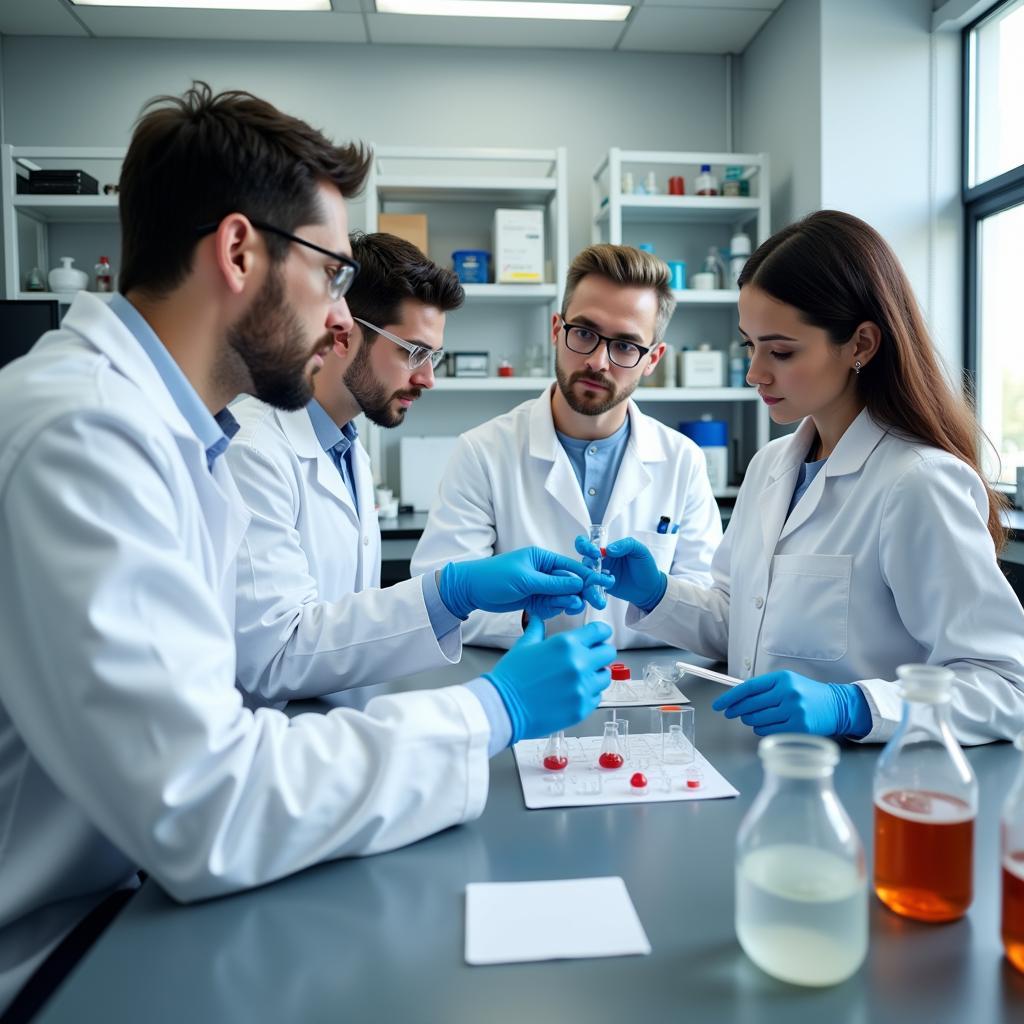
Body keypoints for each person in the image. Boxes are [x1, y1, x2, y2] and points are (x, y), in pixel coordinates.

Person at [0, 84, 616, 1018]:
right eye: (332, 274)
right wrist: (489, 711)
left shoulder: (166, 430)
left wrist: (444, 596)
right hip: (65, 956)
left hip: (136, 899)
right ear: (239, 250)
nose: (339, 317)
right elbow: (204, 802)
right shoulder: (85, 436)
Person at [580, 209, 1024, 745]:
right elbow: (739, 621)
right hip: (757, 769)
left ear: (860, 344)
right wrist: (655, 593)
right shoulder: (772, 467)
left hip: (859, 791)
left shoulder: (920, 482)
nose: (755, 372)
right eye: (750, 344)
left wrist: (853, 706)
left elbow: (1005, 683)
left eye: (781, 351)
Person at [411, 243, 722, 649]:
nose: (598, 361)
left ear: (653, 358)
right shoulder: (484, 451)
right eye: (585, 333)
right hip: (525, 689)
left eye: (626, 345)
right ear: (557, 330)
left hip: (652, 691)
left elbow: (711, 611)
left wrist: (656, 595)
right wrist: (524, 612)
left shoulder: (683, 460)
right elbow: (434, 598)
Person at [226, 232, 471, 708]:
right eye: (413, 352)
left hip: (337, 726)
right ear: (343, 334)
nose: (428, 378)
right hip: (274, 746)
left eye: (432, 357)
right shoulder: (253, 451)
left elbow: (349, 621)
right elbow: (272, 656)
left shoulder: (347, 448)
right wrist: (446, 597)